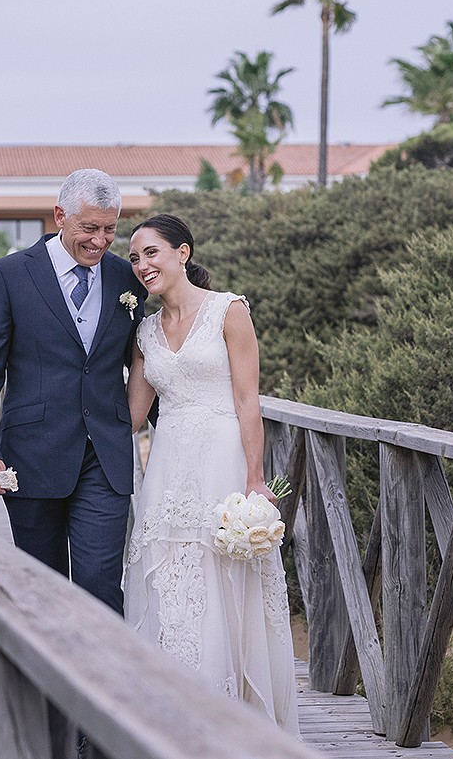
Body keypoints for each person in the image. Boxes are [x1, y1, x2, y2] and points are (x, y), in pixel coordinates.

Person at [122, 213, 298, 732]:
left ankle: (233, 716)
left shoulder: (229, 310)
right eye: (134, 258)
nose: (142, 265)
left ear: (183, 252)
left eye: (151, 252)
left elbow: (248, 400)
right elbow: (132, 417)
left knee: (222, 576)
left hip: (223, 457)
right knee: (170, 577)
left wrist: (255, 479)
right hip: (168, 462)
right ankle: (176, 711)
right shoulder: (144, 331)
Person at [0, 169, 147, 613]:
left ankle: (104, 682)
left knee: (100, 582)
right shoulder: (9, 275)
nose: (101, 241)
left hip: (105, 455)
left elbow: (148, 364)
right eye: (90, 228)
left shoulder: (128, 279)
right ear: (60, 216)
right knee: (39, 588)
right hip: (31, 455)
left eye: (110, 230)